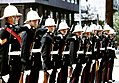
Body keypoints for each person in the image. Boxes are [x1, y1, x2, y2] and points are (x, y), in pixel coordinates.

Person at [0, 4, 22, 83]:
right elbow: (2, 53)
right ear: (9, 18)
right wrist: (3, 72)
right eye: (15, 16)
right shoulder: (4, 32)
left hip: (17, 63)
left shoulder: (16, 31)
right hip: (9, 65)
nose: (18, 18)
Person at [20, 8, 41, 83]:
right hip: (29, 62)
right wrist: (26, 66)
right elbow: (24, 49)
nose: (36, 22)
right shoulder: (27, 33)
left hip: (35, 62)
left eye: (37, 20)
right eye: (34, 21)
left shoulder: (34, 31)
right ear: (29, 21)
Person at [40, 17, 56, 83]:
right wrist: (47, 66)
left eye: (53, 26)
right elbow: (44, 53)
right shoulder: (46, 37)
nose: (52, 28)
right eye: (50, 26)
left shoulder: (51, 36)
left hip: (51, 63)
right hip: (47, 65)